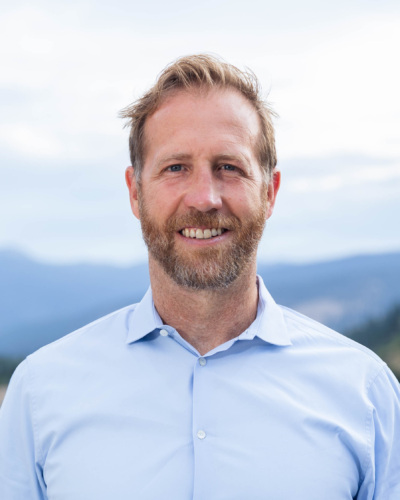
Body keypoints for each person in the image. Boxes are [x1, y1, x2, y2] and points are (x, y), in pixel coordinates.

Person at [0, 54, 399, 500]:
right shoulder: (40, 392)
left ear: (269, 192)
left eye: (229, 167)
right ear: (135, 192)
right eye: (176, 168)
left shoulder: (366, 394)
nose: (205, 198)